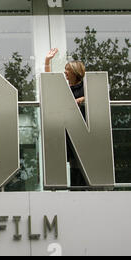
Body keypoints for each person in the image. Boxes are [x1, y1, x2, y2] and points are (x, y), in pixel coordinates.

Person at [45, 48, 87, 187]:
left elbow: (96, 96)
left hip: (83, 130)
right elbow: (49, 83)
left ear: (75, 72)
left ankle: (84, 189)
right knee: (72, 162)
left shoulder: (86, 87)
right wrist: (47, 61)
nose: (65, 72)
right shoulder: (65, 87)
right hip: (67, 131)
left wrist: (80, 99)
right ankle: (74, 189)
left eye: (67, 70)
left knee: (81, 162)